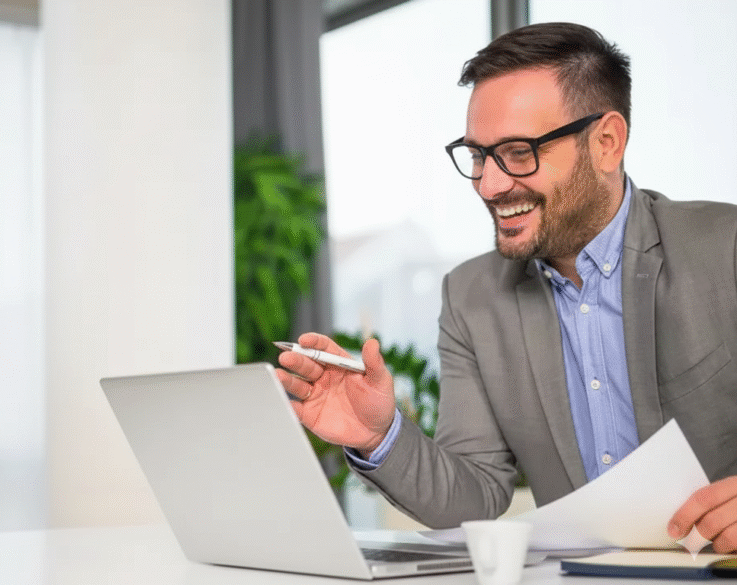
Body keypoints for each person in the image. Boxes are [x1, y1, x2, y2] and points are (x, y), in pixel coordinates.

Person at [276, 22, 737, 554]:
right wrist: (379, 437)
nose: (490, 185)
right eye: (478, 156)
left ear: (606, 143)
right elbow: (473, 498)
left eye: (519, 152)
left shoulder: (723, 250)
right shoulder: (471, 298)